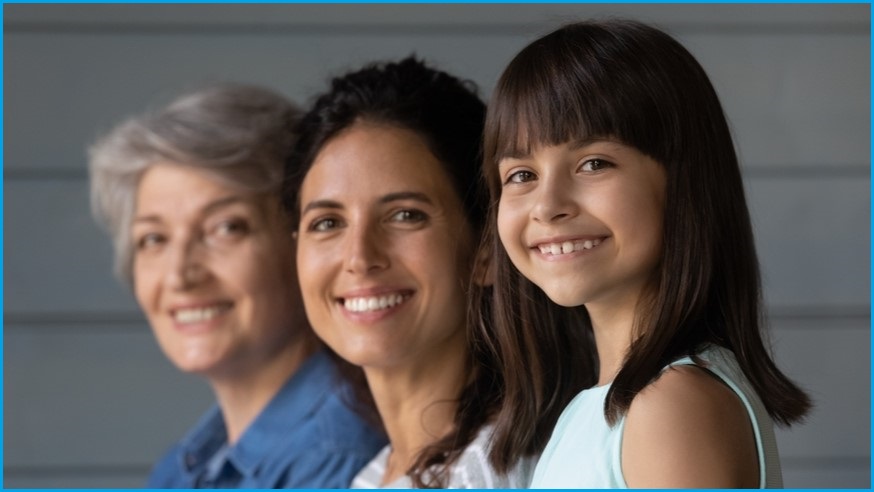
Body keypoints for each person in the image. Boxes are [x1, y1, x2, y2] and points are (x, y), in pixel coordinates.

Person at [477, 19, 812, 488]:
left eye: (594, 163)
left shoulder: (671, 405)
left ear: (684, 184)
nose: (547, 206)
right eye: (521, 175)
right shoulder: (613, 404)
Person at [88, 84, 386, 488]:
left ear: (307, 240)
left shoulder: (341, 459)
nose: (179, 275)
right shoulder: (179, 470)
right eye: (154, 239)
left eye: (226, 228)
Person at [283, 56, 537, 488]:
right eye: (327, 223)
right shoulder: (373, 476)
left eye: (405, 215)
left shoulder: (505, 469)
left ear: (486, 250)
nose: (359, 257)